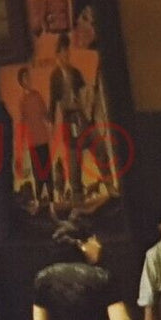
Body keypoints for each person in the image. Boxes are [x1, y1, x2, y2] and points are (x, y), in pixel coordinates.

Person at [48, 35, 87, 201]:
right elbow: (53, 100)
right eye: (62, 53)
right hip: (67, 116)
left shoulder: (75, 72)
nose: (65, 56)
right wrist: (51, 120)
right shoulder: (55, 76)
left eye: (67, 52)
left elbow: (85, 92)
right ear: (58, 55)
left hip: (80, 114)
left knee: (87, 148)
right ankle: (76, 189)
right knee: (72, 152)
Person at [16, 67, 52, 193]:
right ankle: (40, 198)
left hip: (43, 137)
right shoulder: (22, 101)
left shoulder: (37, 95)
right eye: (25, 78)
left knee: (47, 169)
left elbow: (45, 114)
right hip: (32, 140)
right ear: (21, 81)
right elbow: (22, 122)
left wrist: (51, 123)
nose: (29, 80)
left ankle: (52, 198)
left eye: (29, 77)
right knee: (37, 171)